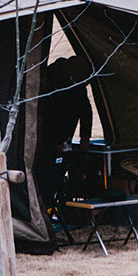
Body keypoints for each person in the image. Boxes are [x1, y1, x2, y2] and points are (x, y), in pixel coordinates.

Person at [36, 55, 93, 206]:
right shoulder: (48, 81)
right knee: (46, 174)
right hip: (44, 140)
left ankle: (63, 201)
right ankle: (46, 204)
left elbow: (86, 111)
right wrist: (54, 143)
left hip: (61, 139)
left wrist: (85, 138)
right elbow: (44, 117)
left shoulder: (78, 86)